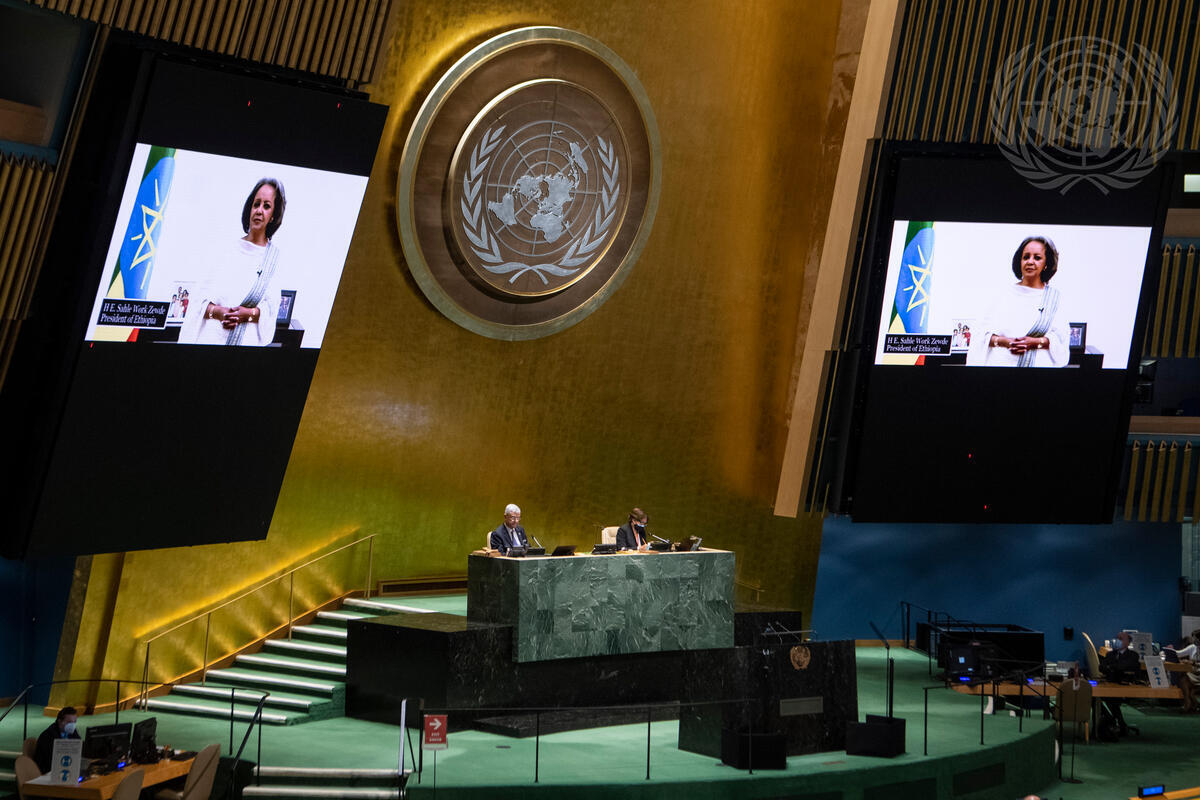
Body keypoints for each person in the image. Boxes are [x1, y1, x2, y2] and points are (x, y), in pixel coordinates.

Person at [180, 178, 286, 346]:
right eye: (256, 204)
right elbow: (198, 301)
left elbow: (271, 311)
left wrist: (248, 314)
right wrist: (219, 312)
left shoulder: (273, 260)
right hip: (210, 342)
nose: (259, 211)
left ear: (273, 216)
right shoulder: (224, 250)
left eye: (266, 206)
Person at [965, 236, 1070, 367]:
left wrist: (1036, 342)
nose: (1030, 262)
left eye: (1037, 258)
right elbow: (980, 335)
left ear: (1046, 263)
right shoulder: (1001, 295)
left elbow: (1061, 340)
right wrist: (1004, 342)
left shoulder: (1054, 299)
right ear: (1019, 261)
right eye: (1026, 257)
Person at [1099, 631, 1142, 735]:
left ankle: (1117, 723)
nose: (1118, 641)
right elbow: (1101, 667)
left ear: (1128, 642)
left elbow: (1121, 667)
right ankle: (1114, 721)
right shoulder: (1109, 654)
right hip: (1110, 684)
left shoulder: (1133, 655)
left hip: (1125, 686)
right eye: (1117, 638)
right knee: (1095, 698)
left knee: (1112, 699)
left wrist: (1111, 667)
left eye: (1121, 639)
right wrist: (1113, 668)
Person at [35, 706, 80, 774]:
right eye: (69, 722)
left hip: (66, 767)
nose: (72, 725)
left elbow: (78, 745)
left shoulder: (72, 732)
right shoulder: (48, 736)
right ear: (60, 721)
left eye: (74, 722)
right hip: (49, 770)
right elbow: (49, 759)